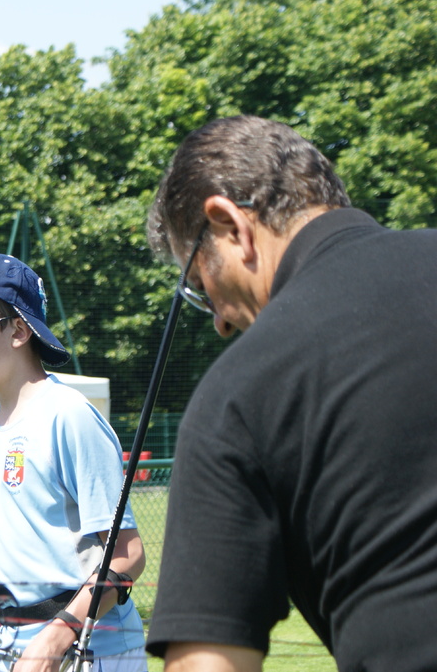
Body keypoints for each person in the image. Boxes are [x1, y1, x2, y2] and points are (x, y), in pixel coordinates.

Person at [144, 115, 437, 671]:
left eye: (201, 285)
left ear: (229, 224)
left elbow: (208, 663)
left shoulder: (239, 392)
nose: (220, 323)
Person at [0, 253, 147, 672]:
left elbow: (127, 554)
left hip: (91, 650)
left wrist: (59, 633)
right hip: (13, 647)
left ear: (18, 329)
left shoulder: (69, 415)